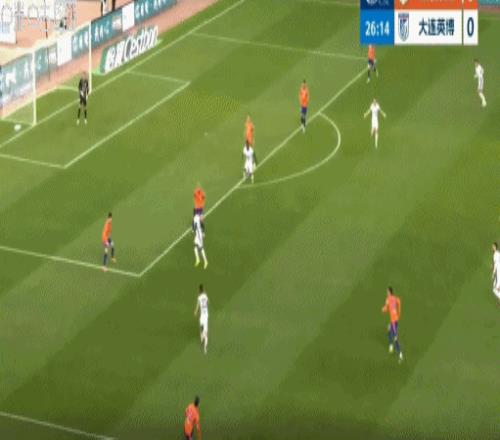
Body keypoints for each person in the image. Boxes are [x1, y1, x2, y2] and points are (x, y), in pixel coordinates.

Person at [381, 286, 403, 362]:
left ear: (389, 292)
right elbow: (399, 302)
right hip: (395, 319)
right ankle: (391, 345)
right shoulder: (395, 298)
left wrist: (383, 309)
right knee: (389, 330)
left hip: (393, 321)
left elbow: (386, 307)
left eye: (387, 292)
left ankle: (400, 354)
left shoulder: (388, 299)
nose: (386, 293)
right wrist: (398, 313)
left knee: (395, 338)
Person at [194, 284, 209, 354]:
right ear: (203, 290)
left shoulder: (199, 297)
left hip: (202, 316)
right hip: (206, 315)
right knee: (205, 332)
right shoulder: (205, 296)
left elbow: (198, 306)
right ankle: (205, 348)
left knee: (201, 328)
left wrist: (195, 312)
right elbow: (208, 302)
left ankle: (202, 336)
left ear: (199, 290)